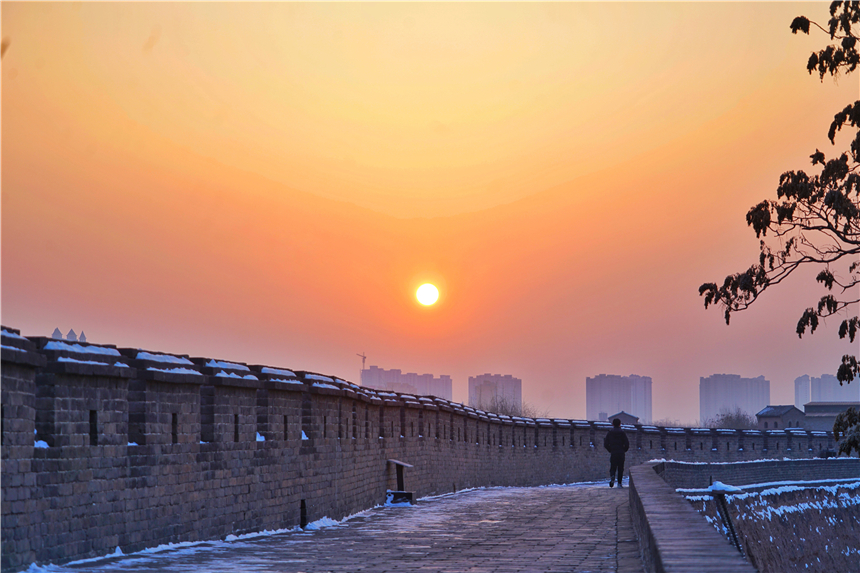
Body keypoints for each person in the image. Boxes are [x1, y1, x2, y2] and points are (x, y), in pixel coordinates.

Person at [603, 418, 629, 488]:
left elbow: (605, 444)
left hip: (613, 452)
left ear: (613, 424)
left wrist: (610, 450)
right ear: (620, 424)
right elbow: (627, 444)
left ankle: (612, 476)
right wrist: (624, 450)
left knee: (613, 467)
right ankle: (619, 483)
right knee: (620, 468)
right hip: (621, 453)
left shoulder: (610, 433)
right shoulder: (622, 433)